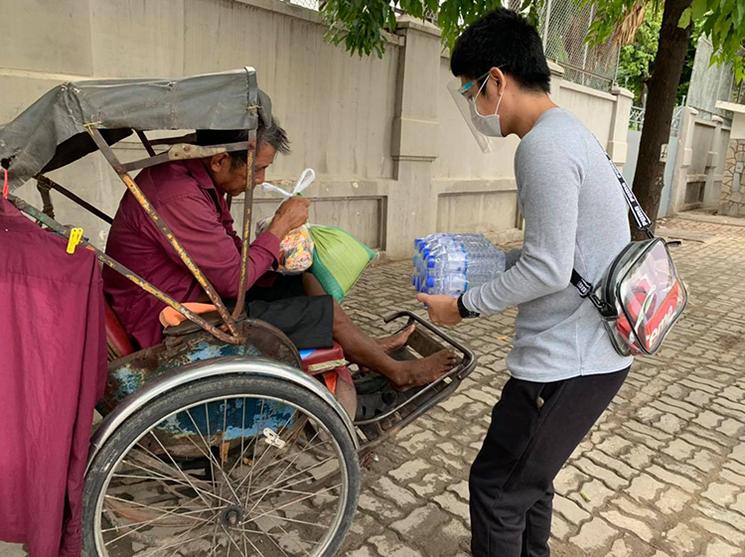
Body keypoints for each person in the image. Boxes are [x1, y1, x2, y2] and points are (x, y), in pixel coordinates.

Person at [417, 8, 633, 557]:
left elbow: (549, 270)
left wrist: (460, 307)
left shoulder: (542, 146)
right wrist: (494, 259)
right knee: (527, 484)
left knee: (497, 491)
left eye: (472, 93)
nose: (475, 107)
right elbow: (559, 253)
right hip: (586, 354)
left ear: (497, 79)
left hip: (568, 362)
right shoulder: (570, 132)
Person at [104, 121, 455, 388]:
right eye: (257, 169)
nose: (260, 179)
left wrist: (278, 249)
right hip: (178, 321)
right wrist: (280, 225)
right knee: (325, 310)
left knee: (302, 279)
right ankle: (397, 372)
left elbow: (225, 247)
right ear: (221, 160)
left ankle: (361, 348)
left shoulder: (192, 180)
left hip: (198, 292)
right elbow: (229, 280)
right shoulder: (177, 194)